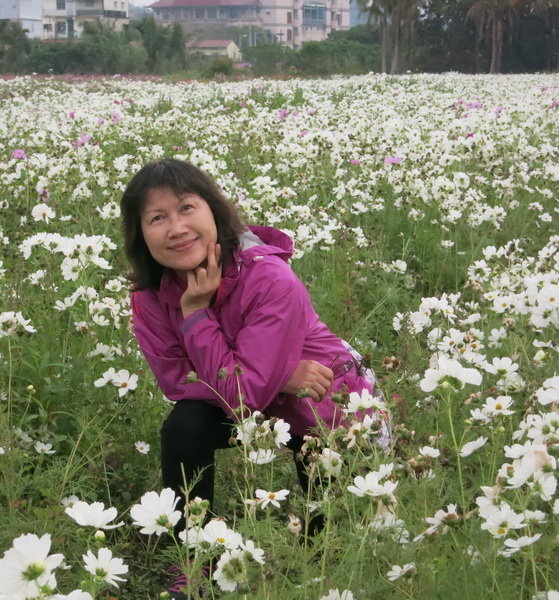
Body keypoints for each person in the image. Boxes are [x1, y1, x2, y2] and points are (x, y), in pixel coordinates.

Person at [121, 159, 382, 598]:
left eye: (186, 208)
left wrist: (205, 327)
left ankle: (319, 560)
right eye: (157, 218)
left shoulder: (268, 276)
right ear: (141, 234)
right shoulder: (150, 294)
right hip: (252, 398)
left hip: (324, 403)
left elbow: (243, 394)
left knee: (325, 548)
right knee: (185, 423)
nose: (176, 228)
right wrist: (270, 372)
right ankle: (193, 561)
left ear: (214, 210)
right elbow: (176, 380)